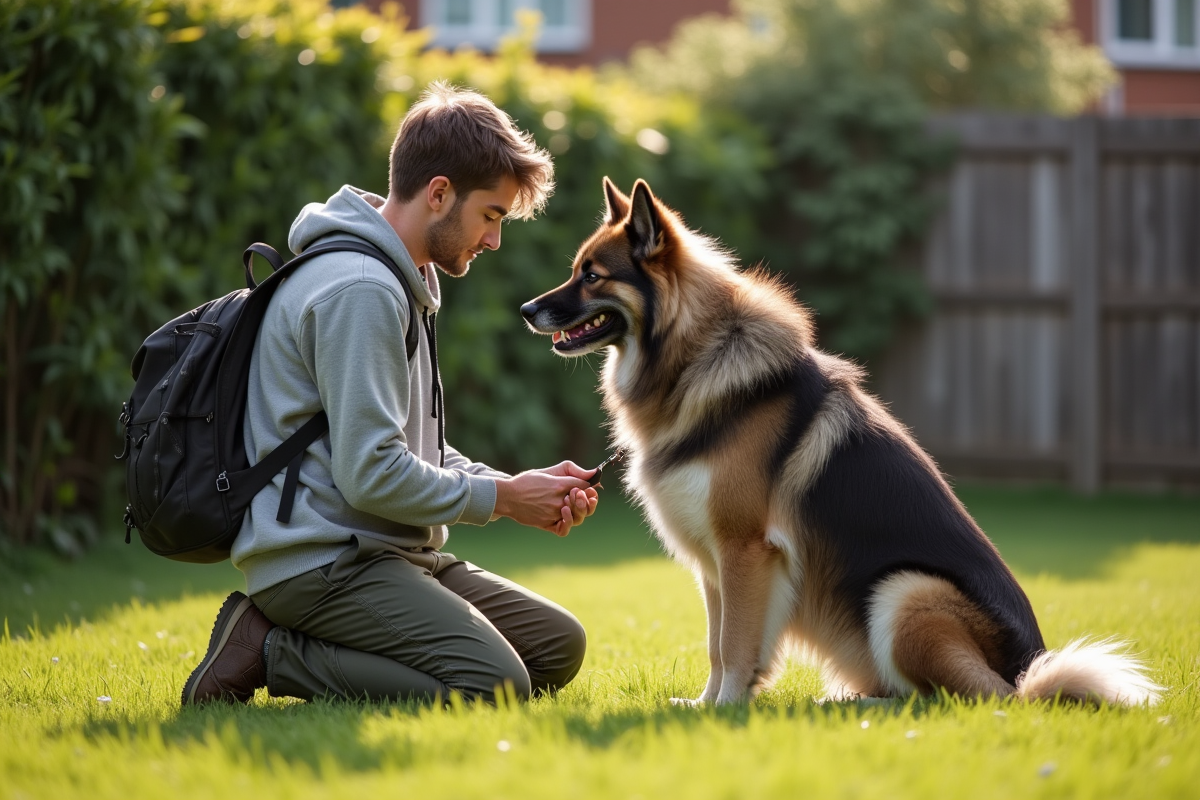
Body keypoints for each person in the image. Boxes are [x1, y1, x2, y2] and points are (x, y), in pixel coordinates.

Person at [181, 83, 598, 707]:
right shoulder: (361, 289)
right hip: (321, 562)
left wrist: (518, 485)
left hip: (391, 551)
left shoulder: (403, 278)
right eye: (492, 215)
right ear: (439, 193)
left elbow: (408, 446)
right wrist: (504, 500)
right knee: (496, 685)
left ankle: (314, 644)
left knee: (557, 645)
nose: (494, 241)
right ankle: (268, 648)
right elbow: (371, 474)